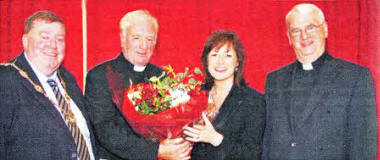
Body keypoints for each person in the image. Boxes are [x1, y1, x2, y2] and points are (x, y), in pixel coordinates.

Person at [262, 3, 377, 160]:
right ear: (289, 38)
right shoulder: (274, 80)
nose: (304, 37)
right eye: (296, 31)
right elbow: (267, 143)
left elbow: (363, 147)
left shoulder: (354, 77)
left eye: (310, 27)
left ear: (325, 29)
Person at [84, 10, 191, 160]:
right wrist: (155, 151)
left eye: (149, 39)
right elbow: (105, 131)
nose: (144, 46)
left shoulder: (162, 76)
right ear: (122, 39)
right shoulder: (100, 75)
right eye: (136, 38)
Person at [0, 11, 96, 159]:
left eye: (59, 39)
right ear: (25, 41)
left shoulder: (67, 78)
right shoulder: (5, 80)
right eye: (44, 37)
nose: (53, 46)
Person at [182, 30, 266, 160]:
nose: (220, 62)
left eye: (228, 55)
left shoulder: (254, 101)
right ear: (206, 60)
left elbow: (253, 154)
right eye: (214, 54)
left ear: (237, 62)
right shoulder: (193, 95)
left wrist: (216, 139)